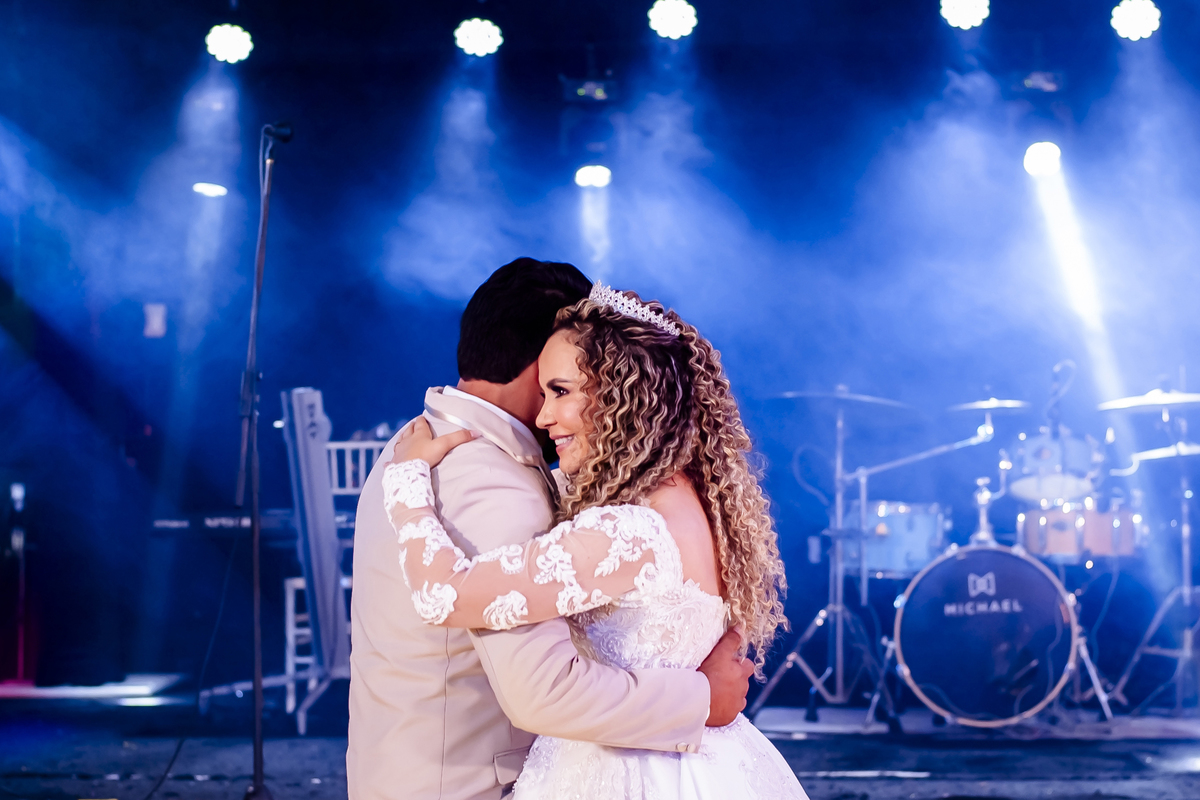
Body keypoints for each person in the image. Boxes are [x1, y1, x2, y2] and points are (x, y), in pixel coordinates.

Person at [347, 259, 756, 800]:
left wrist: (406, 479)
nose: (545, 415)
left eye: (562, 389)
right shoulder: (488, 475)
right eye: (549, 388)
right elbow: (542, 691)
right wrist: (701, 699)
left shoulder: (417, 444)